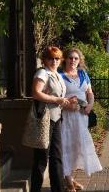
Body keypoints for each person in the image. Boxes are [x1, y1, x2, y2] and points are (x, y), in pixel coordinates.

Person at [60, 48, 103, 192]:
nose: (73, 61)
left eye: (76, 58)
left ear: (79, 60)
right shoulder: (59, 75)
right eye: (70, 58)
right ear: (65, 59)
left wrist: (90, 105)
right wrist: (67, 105)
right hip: (66, 118)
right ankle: (69, 183)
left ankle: (70, 178)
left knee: (77, 148)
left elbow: (89, 93)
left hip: (82, 117)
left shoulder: (83, 74)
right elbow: (55, 97)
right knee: (67, 148)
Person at [30, 46, 71, 192]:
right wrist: (57, 100)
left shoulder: (58, 75)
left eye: (57, 58)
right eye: (50, 58)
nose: (54, 61)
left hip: (56, 119)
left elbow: (58, 97)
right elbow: (36, 93)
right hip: (45, 119)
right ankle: (35, 189)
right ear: (44, 60)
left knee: (57, 157)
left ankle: (58, 188)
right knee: (41, 159)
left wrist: (65, 101)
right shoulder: (42, 73)